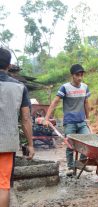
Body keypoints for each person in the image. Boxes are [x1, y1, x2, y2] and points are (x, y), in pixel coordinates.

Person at [0, 47, 35, 207]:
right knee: (3, 186)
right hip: (6, 142)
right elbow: (26, 118)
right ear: (9, 65)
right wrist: (30, 144)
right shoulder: (20, 87)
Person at [44, 64, 92, 176]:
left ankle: (80, 162)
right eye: (77, 75)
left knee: (88, 140)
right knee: (70, 145)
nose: (79, 78)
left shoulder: (85, 87)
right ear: (72, 75)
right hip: (70, 122)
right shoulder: (65, 87)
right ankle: (71, 167)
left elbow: (86, 103)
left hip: (81, 121)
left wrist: (87, 118)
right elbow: (55, 102)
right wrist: (46, 118)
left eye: (81, 75)